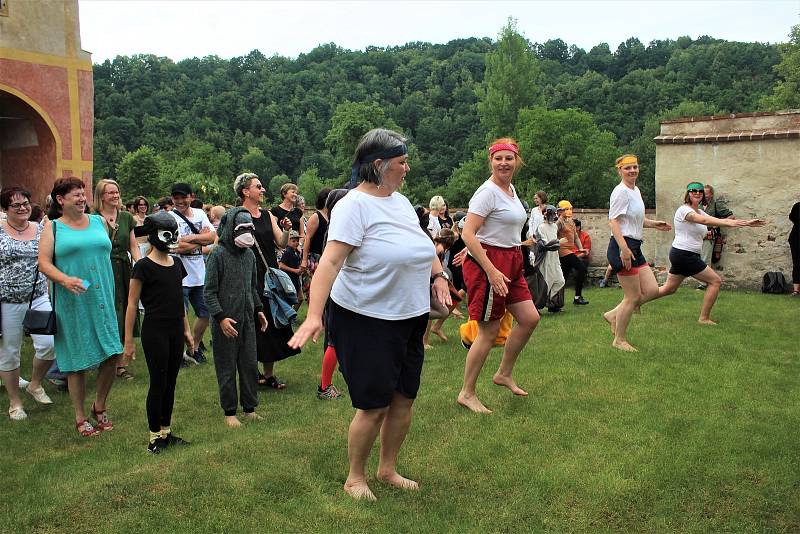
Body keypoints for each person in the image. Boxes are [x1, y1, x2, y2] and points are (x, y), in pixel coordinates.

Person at [289, 128, 449, 501]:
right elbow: (329, 261)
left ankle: (388, 468)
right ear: (378, 165)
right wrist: (314, 316)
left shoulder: (401, 202)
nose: (407, 168)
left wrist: (438, 275)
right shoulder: (352, 205)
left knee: (404, 398)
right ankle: (355, 477)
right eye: (402, 162)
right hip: (365, 318)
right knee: (374, 404)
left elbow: (422, 245)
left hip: (409, 316)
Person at [457, 138, 541, 414]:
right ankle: (467, 393)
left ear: (517, 161)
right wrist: (491, 271)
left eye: (509, 158)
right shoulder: (487, 192)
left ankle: (503, 373)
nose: (504, 163)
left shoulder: (511, 189)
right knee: (489, 331)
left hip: (512, 259)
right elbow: (468, 233)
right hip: (489, 264)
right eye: (498, 158)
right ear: (490, 161)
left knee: (529, 318)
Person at [38, 177, 123, 436]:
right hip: (72, 299)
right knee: (77, 360)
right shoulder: (52, 227)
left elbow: (102, 253)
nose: (82, 198)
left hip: (103, 296)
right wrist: (65, 279)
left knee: (112, 352)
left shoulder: (99, 221)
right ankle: (80, 415)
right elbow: (43, 263)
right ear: (60, 200)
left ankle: (100, 405)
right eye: (75, 194)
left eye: (83, 193)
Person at [124, 212, 194, 453]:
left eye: (174, 233)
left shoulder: (177, 264)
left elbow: (179, 301)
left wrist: (187, 330)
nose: (172, 238)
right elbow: (132, 304)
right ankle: (154, 437)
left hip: (175, 328)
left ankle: (166, 430)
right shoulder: (142, 267)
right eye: (167, 233)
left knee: (171, 381)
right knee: (158, 381)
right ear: (154, 236)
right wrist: (128, 341)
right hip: (155, 329)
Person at [654, 182, 765, 324]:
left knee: (668, 289)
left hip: (684, 254)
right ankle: (704, 318)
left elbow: (714, 221)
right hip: (684, 254)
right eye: (693, 190)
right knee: (715, 281)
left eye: (700, 191)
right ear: (687, 194)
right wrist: (742, 223)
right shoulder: (684, 210)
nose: (697, 193)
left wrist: (747, 222)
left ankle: (635, 302)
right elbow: (706, 221)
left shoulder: (700, 211)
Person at [232, 173, 298, 390]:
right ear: (245, 191)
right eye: (258, 187)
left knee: (270, 323)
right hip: (247, 276)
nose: (262, 190)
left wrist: (287, 229)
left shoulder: (267, 214)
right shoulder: (237, 215)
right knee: (250, 325)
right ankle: (251, 373)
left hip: (268, 277)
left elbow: (280, 243)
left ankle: (268, 375)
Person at [204, 207, 268, 428]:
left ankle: (249, 408)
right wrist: (220, 317)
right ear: (230, 228)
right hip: (226, 323)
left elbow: (252, 287)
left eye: (250, 228)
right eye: (242, 229)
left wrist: (258, 309)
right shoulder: (217, 255)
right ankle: (229, 411)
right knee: (226, 365)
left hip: (248, 320)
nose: (247, 233)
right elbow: (209, 292)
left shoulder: (249, 255)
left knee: (249, 364)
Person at [602, 155, 672, 352]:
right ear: (620, 171)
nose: (632, 170)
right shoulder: (620, 192)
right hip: (621, 247)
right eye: (627, 168)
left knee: (650, 291)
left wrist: (653, 224)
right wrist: (624, 249)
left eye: (634, 167)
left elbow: (633, 221)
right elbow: (613, 222)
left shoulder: (636, 190)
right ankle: (620, 340)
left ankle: (614, 313)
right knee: (632, 297)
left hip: (634, 246)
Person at [0, 186, 55, 420]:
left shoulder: (41, 228)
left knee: (50, 344)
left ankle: (34, 384)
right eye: (16, 205)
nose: (23, 208)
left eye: (26, 204)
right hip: (7, 300)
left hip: (38, 296)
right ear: (5, 209)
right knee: (10, 352)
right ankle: (15, 402)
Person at [93, 179, 142, 380]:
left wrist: (141, 265)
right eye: (110, 192)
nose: (115, 195)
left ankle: (120, 364)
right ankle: (104, 358)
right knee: (106, 311)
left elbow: (133, 246)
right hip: (102, 269)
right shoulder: (92, 218)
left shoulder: (126, 217)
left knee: (124, 312)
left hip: (124, 268)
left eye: (117, 192)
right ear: (101, 196)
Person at [169, 182, 216, 365]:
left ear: (191, 196)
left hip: (199, 274)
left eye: (183, 197)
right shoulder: (170, 217)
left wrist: (189, 239)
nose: (179, 201)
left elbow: (213, 237)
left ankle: (193, 348)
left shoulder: (200, 214)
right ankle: (178, 353)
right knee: (180, 317)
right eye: (176, 197)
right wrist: (200, 241)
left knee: (205, 313)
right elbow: (176, 246)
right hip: (179, 275)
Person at [300, 188, 332, 298]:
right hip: (314, 258)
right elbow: (307, 238)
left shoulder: (332, 216)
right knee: (314, 288)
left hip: (327, 256)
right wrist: (304, 260)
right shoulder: (316, 217)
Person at [555, 200, 589, 306]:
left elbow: (576, 237)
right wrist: (557, 243)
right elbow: (552, 235)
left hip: (569, 250)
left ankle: (556, 302)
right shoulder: (559, 222)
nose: (569, 211)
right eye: (566, 209)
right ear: (560, 211)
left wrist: (581, 248)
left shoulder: (571, 222)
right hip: (563, 251)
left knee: (563, 277)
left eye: (569, 208)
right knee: (582, 268)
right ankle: (577, 297)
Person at [278, 230, 303, 308]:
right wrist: (295, 270)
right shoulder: (287, 252)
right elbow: (281, 265)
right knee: (291, 300)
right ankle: (289, 316)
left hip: (295, 279)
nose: (296, 243)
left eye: (297, 241)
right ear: (288, 242)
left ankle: (292, 315)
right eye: (293, 241)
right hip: (289, 279)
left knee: (300, 298)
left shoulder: (296, 252)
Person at [790, 202, 799, 296]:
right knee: (797, 263)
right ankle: (796, 290)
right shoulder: (797, 206)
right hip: (796, 239)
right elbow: (791, 217)